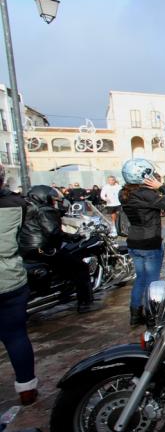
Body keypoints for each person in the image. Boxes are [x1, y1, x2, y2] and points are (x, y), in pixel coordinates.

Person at [120, 158, 165, 325]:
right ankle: (151, 316)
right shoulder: (145, 194)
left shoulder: (124, 193)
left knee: (140, 278)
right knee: (152, 282)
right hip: (149, 241)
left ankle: (135, 314)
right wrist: (161, 186)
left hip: (133, 241)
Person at [19, 185, 96, 313]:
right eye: (51, 198)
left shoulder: (27, 208)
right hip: (44, 251)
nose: (53, 201)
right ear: (43, 196)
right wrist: (73, 237)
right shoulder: (45, 210)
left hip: (26, 250)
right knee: (81, 267)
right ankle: (85, 303)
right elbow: (53, 232)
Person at [0, 163, 37, 405]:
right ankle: (26, 389)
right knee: (16, 336)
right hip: (9, 276)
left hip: (10, 277)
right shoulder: (18, 204)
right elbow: (26, 239)